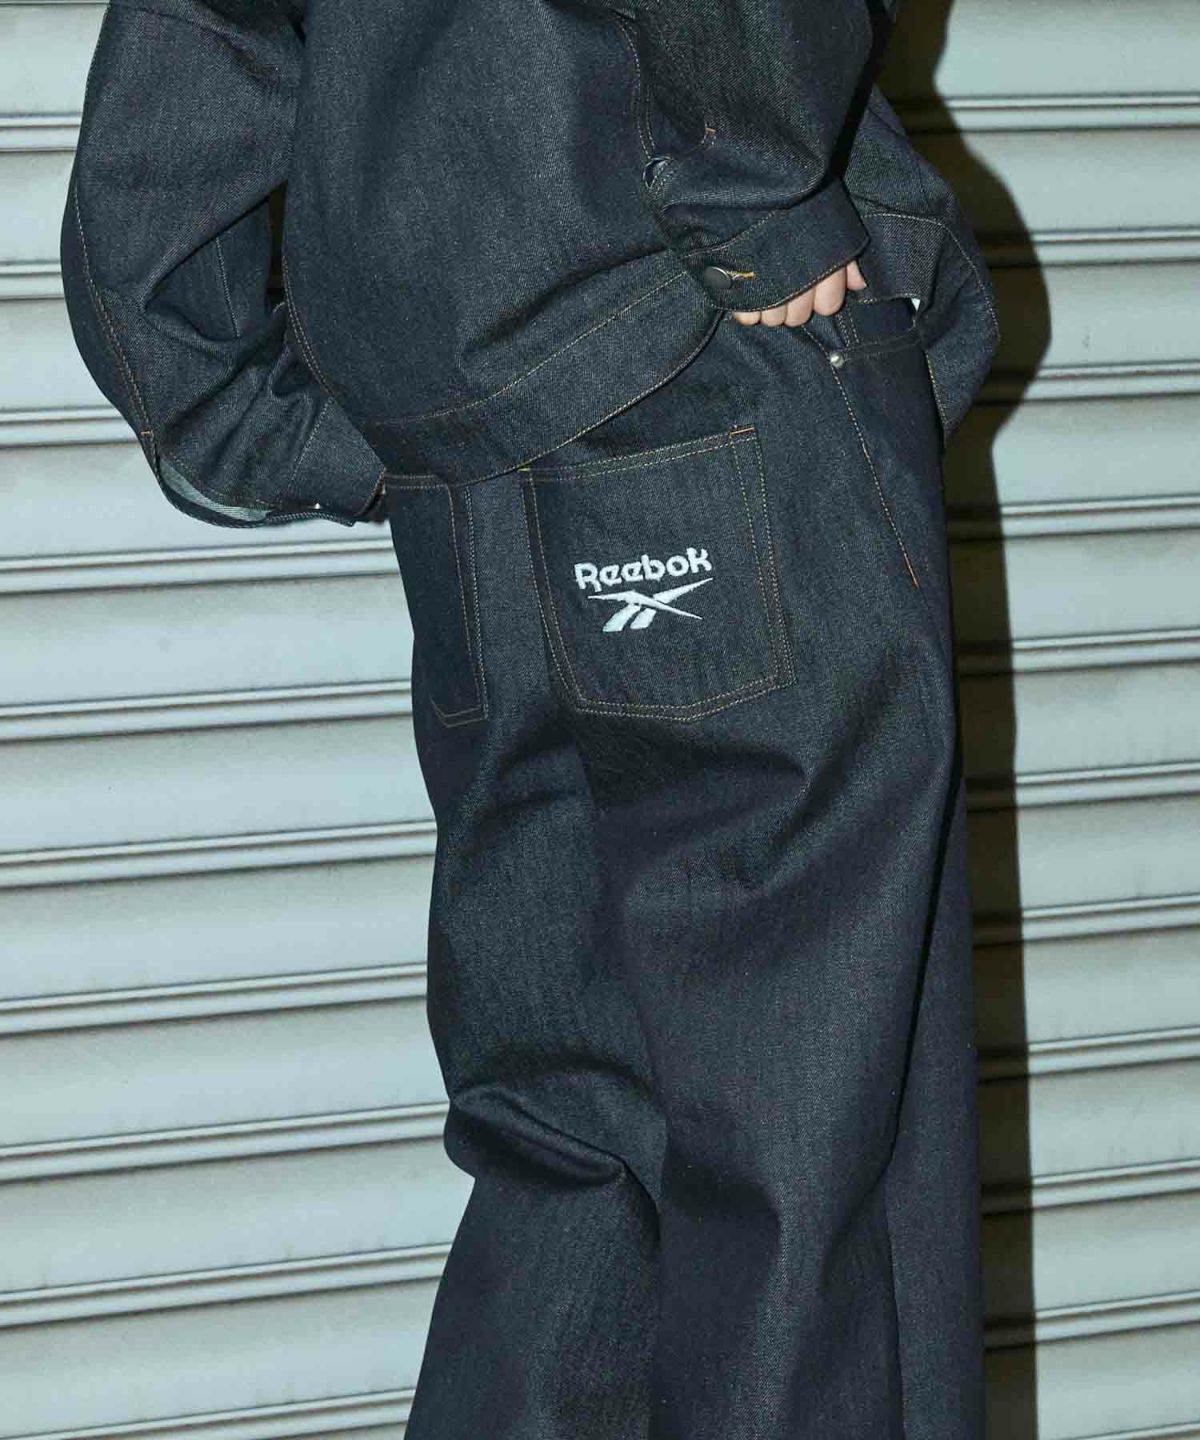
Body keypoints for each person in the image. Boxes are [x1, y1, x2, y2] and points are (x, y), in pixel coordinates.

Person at [61, 1, 1000, 1436]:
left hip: (469, 468)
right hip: (710, 363)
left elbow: (198, 47)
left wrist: (253, 409)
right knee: (817, 1173)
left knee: (571, 1151)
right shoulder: (729, 224)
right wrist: (758, 182)